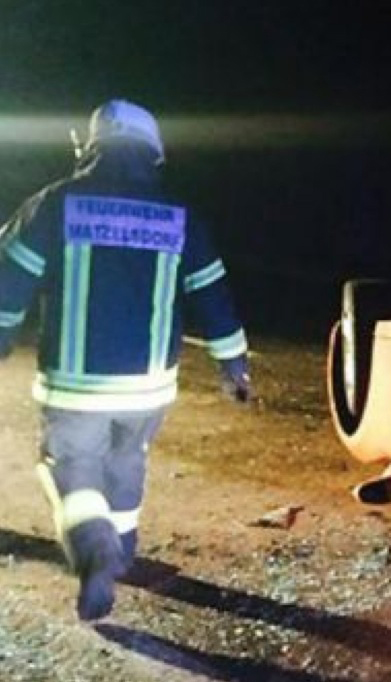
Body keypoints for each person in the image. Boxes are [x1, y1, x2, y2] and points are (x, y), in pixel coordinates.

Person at [0, 99, 252, 621]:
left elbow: (10, 278)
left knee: (73, 468)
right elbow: (213, 293)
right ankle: (126, 544)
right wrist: (233, 363)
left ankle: (96, 550)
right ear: (153, 152)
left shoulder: (55, 204)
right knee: (128, 459)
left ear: (90, 147)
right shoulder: (181, 217)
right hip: (148, 389)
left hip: (75, 388)